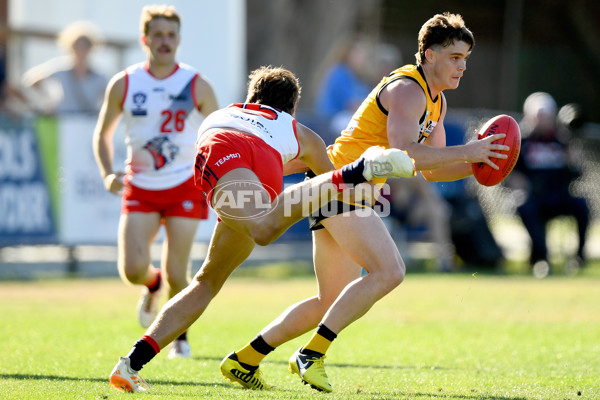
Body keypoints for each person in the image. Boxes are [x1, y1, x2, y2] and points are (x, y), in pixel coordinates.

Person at [221, 12, 511, 393]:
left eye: (465, 59)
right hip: (341, 184)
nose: (462, 66)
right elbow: (406, 151)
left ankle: (245, 359)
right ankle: (312, 355)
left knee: (329, 301)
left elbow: (431, 169)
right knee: (389, 271)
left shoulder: (435, 101)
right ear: (428, 54)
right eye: (454, 57)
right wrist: (470, 149)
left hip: (336, 186)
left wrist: (476, 165)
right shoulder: (408, 88)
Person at [108, 65, 417, 392]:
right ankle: (130, 365)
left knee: (213, 275)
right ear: (293, 107)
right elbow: (331, 185)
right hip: (262, 161)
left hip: (226, 146)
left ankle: (129, 364)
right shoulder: (302, 133)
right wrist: (362, 187)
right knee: (235, 255)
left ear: (250, 97)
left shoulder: (226, 111)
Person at [92, 5, 219, 359]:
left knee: (179, 271)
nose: (165, 42)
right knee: (132, 269)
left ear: (179, 39)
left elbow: (219, 134)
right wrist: (106, 172)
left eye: (171, 35)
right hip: (141, 186)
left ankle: (180, 338)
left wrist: (215, 173)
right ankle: (152, 284)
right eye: (158, 35)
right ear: (144, 39)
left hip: (185, 186)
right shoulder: (126, 82)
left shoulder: (196, 84)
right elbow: (102, 134)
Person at [510, 92, 590, 277]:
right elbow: (512, 173)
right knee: (524, 206)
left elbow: (576, 173)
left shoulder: (563, 140)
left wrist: (572, 158)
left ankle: (579, 257)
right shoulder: (521, 142)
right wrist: (519, 181)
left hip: (559, 194)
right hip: (535, 196)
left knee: (581, 205)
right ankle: (541, 258)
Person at [22, 20, 108, 115]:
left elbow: (110, 97)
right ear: (71, 47)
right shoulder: (59, 69)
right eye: (77, 46)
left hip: (88, 122)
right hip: (65, 120)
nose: (81, 50)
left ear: (90, 48)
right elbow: (31, 81)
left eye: (85, 46)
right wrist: (47, 101)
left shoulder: (100, 75)